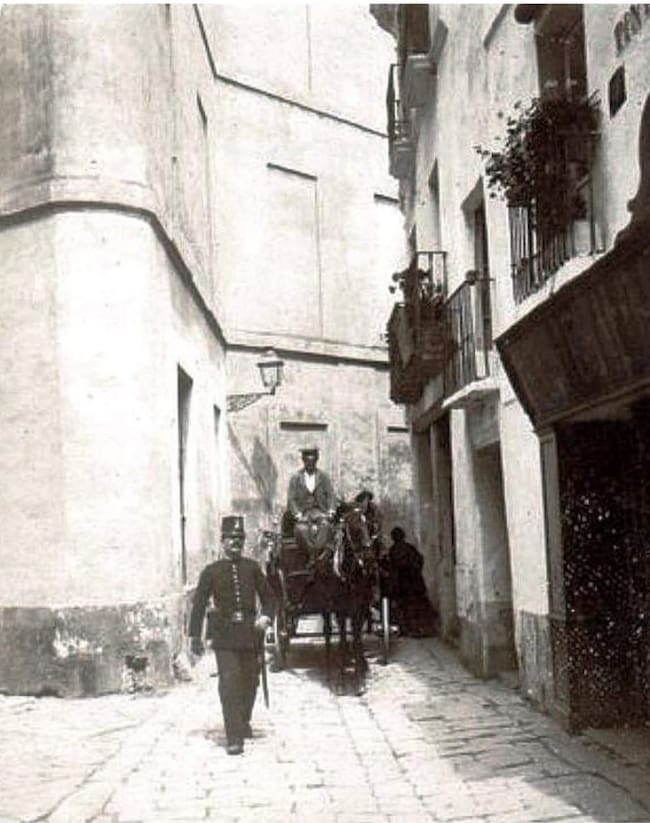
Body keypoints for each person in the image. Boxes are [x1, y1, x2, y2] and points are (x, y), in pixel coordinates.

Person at [189, 515, 275, 756]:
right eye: (231, 538)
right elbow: (198, 605)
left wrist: (266, 617)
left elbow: (270, 598)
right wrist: (194, 638)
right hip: (225, 637)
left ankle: (243, 719)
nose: (236, 542)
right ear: (222, 541)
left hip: (250, 635)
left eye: (240, 538)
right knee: (229, 683)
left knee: (251, 681)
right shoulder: (211, 572)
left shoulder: (252, 568)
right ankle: (234, 736)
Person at [387, 526, 437, 637]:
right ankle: (417, 629)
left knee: (405, 608)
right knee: (414, 607)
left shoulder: (394, 550)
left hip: (403, 585)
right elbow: (420, 560)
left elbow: (393, 568)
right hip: (414, 583)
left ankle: (409, 629)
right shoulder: (409, 548)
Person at [286, 447, 336, 557]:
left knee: (326, 526)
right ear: (303, 461)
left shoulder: (323, 477)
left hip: (319, 511)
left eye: (312, 461)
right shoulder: (296, 478)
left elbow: (331, 495)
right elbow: (291, 499)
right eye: (307, 461)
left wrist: (331, 511)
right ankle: (312, 554)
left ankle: (317, 552)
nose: (310, 464)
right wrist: (297, 514)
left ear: (316, 461)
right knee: (301, 529)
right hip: (303, 513)